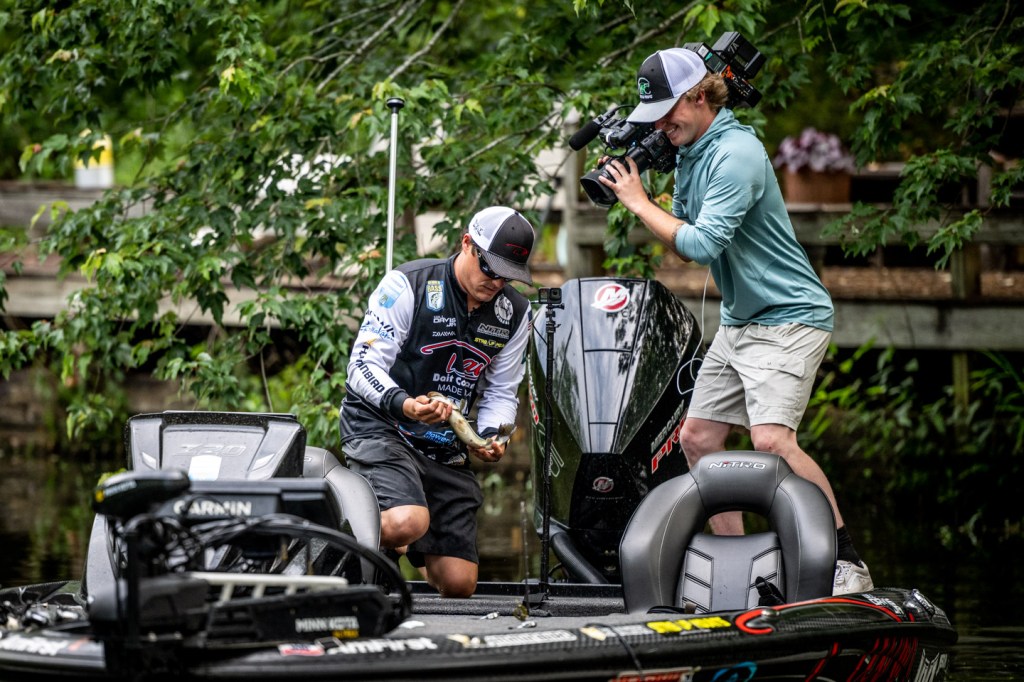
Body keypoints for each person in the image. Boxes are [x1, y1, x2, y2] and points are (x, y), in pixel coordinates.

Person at [596, 47, 873, 595]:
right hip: (740, 321)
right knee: (697, 439)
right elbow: (683, 239)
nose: (661, 127)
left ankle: (847, 562)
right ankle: (737, 567)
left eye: (668, 114)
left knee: (771, 441)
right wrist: (646, 181)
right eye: (654, 118)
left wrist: (638, 201)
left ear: (700, 96)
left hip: (790, 317)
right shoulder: (690, 152)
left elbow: (700, 245)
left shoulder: (737, 153)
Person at [338, 206, 534, 598]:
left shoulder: (515, 312)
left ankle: (401, 538)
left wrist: (492, 435)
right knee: (408, 521)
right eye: (490, 268)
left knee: (459, 584)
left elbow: (501, 391)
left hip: (444, 443)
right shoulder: (407, 284)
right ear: (467, 244)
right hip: (383, 427)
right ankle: (329, 533)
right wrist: (404, 404)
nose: (497, 282)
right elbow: (361, 366)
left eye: (508, 275)